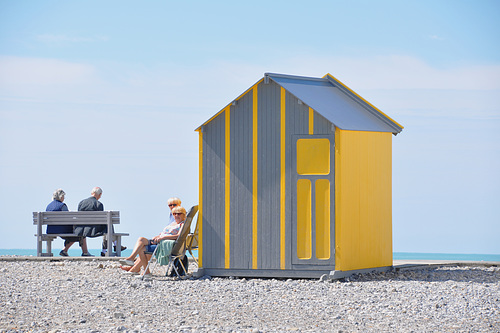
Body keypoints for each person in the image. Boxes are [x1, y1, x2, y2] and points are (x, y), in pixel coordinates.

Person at [119, 204, 187, 277]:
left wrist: (162, 238)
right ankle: (133, 261)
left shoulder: (182, 224)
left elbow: (178, 236)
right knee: (140, 239)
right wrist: (158, 236)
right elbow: (164, 233)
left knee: (141, 248)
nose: (176, 215)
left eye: (179, 214)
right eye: (174, 214)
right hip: (159, 241)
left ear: (183, 215)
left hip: (164, 245)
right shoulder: (172, 224)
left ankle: (143, 269)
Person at [45, 188, 91, 256]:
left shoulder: (48, 206)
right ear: (61, 197)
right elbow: (68, 219)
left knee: (76, 233)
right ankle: (85, 253)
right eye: (63, 197)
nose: (64, 198)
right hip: (62, 230)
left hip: (51, 230)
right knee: (80, 232)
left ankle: (65, 250)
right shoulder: (62, 206)